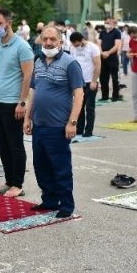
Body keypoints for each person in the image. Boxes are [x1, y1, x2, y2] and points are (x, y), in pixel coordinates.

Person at [24, 27, 84, 217]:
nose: (48, 42)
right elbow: (33, 91)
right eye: (45, 39)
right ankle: (49, 200)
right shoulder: (39, 61)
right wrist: (27, 117)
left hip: (58, 126)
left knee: (61, 168)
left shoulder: (70, 63)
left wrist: (72, 122)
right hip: (39, 125)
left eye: (52, 39)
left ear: (60, 42)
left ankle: (66, 205)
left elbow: (79, 93)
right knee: (41, 167)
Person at [0, 8, 34, 198]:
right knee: (2, 145)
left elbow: (28, 75)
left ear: (9, 23)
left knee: (15, 145)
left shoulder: (22, 46)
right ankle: (9, 180)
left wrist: (22, 102)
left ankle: (18, 184)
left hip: (12, 104)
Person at [69, 32, 100, 138]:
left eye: (77, 44)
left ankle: (89, 130)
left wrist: (94, 81)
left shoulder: (93, 48)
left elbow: (97, 65)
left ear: (82, 40)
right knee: (79, 107)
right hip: (78, 82)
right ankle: (79, 129)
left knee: (89, 107)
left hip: (90, 80)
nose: (76, 46)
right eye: (74, 45)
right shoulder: (72, 48)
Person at [98, 18, 122, 102]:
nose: (106, 24)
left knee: (114, 77)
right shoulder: (102, 32)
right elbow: (99, 43)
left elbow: (117, 45)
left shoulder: (116, 32)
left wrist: (108, 52)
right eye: (105, 23)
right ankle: (104, 96)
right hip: (103, 57)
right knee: (103, 77)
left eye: (108, 23)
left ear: (113, 23)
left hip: (112, 57)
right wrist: (101, 52)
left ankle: (115, 96)